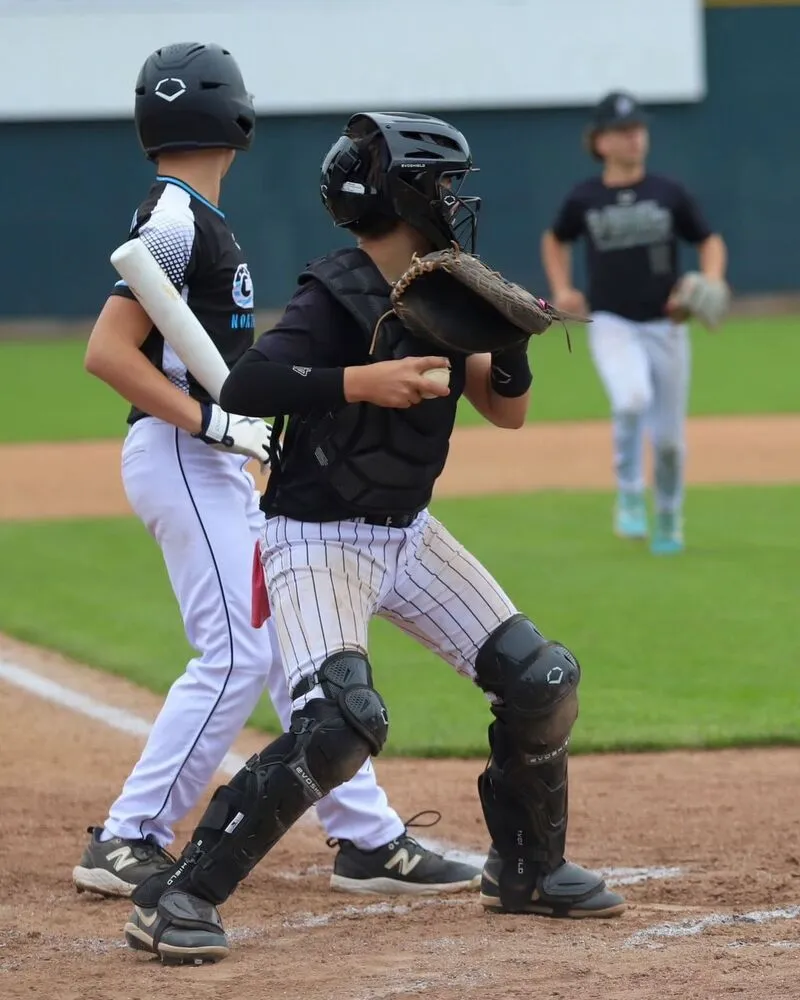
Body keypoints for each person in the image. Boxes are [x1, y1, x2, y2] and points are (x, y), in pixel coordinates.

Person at [122, 109, 626, 966]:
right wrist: (365, 380)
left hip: (407, 533)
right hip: (316, 538)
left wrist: (510, 346)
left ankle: (528, 871)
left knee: (542, 680)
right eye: (443, 185)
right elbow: (248, 384)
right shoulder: (338, 289)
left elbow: (507, 414)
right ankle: (178, 897)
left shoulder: (453, 288)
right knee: (341, 723)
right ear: (404, 194)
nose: (455, 202)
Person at [75, 45, 479, 904]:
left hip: (202, 460)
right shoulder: (178, 220)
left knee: (287, 650)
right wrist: (213, 418)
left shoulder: (188, 213)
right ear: (235, 116)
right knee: (235, 654)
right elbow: (107, 353)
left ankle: (366, 837)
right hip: (183, 455)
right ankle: (128, 837)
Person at [541, 90, 728, 554]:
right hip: (611, 321)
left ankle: (667, 514)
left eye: (638, 129)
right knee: (630, 398)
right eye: (622, 131)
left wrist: (711, 278)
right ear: (600, 141)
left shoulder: (668, 193)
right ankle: (628, 490)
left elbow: (709, 240)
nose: (634, 138)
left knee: (668, 442)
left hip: (667, 325)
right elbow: (555, 238)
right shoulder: (585, 197)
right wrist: (563, 288)